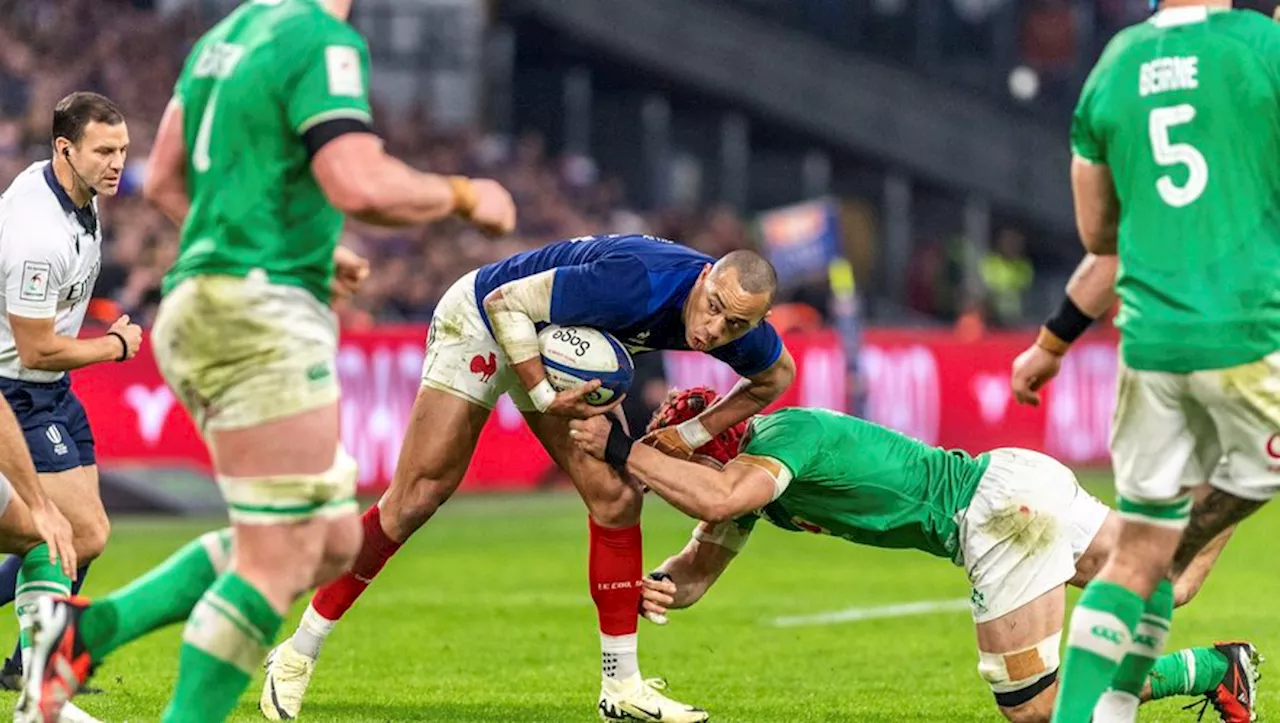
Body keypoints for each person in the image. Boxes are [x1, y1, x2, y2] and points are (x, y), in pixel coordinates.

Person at [18, 0, 516, 721]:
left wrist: (288, 251)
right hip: (254, 314)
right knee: (276, 559)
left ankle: (81, 634)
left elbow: (164, 183)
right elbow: (359, 182)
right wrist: (467, 194)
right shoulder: (320, 38)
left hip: (216, 299)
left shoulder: (226, 36)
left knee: (331, 538)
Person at [261, 234, 795, 722]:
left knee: (616, 498)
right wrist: (541, 396)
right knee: (417, 499)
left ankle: (622, 687)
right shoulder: (637, 281)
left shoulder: (735, 323)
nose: (712, 331)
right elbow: (504, 303)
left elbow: (777, 376)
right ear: (704, 279)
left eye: (735, 326)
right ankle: (296, 652)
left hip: (561, 345)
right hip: (484, 319)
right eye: (714, 309)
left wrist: (692, 435)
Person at [568, 387, 1260, 723]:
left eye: (673, 454)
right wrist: (654, 583)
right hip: (1017, 482)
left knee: (1034, 706)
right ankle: (1248, 471)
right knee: (1170, 577)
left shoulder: (782, 438)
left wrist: (624, 450)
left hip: (996, 511)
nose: (664, 473)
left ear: (713, 445)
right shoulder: (748, 485)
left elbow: (716, 498)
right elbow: (694, 569)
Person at [1038, 1, 1280, 720]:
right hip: (1243, 333)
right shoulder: (1257, 45)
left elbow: (1097, 231)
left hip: (1147, 345)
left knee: (1137, 554)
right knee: (1176, 541)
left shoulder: (1113, 66)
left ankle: (1102, 712)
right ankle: (1187, 543)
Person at [0, 91, 142, 722]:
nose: (117, 164)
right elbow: (34, 345)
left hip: (49, 390)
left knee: (83, 538)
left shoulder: (72, 192)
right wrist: (113, 346)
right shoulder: (37, 232)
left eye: (122, 151)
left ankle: (29, 663)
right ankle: (39, 671)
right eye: (104, 151)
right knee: (79, 533)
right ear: (65, 150)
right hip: (17, 387)